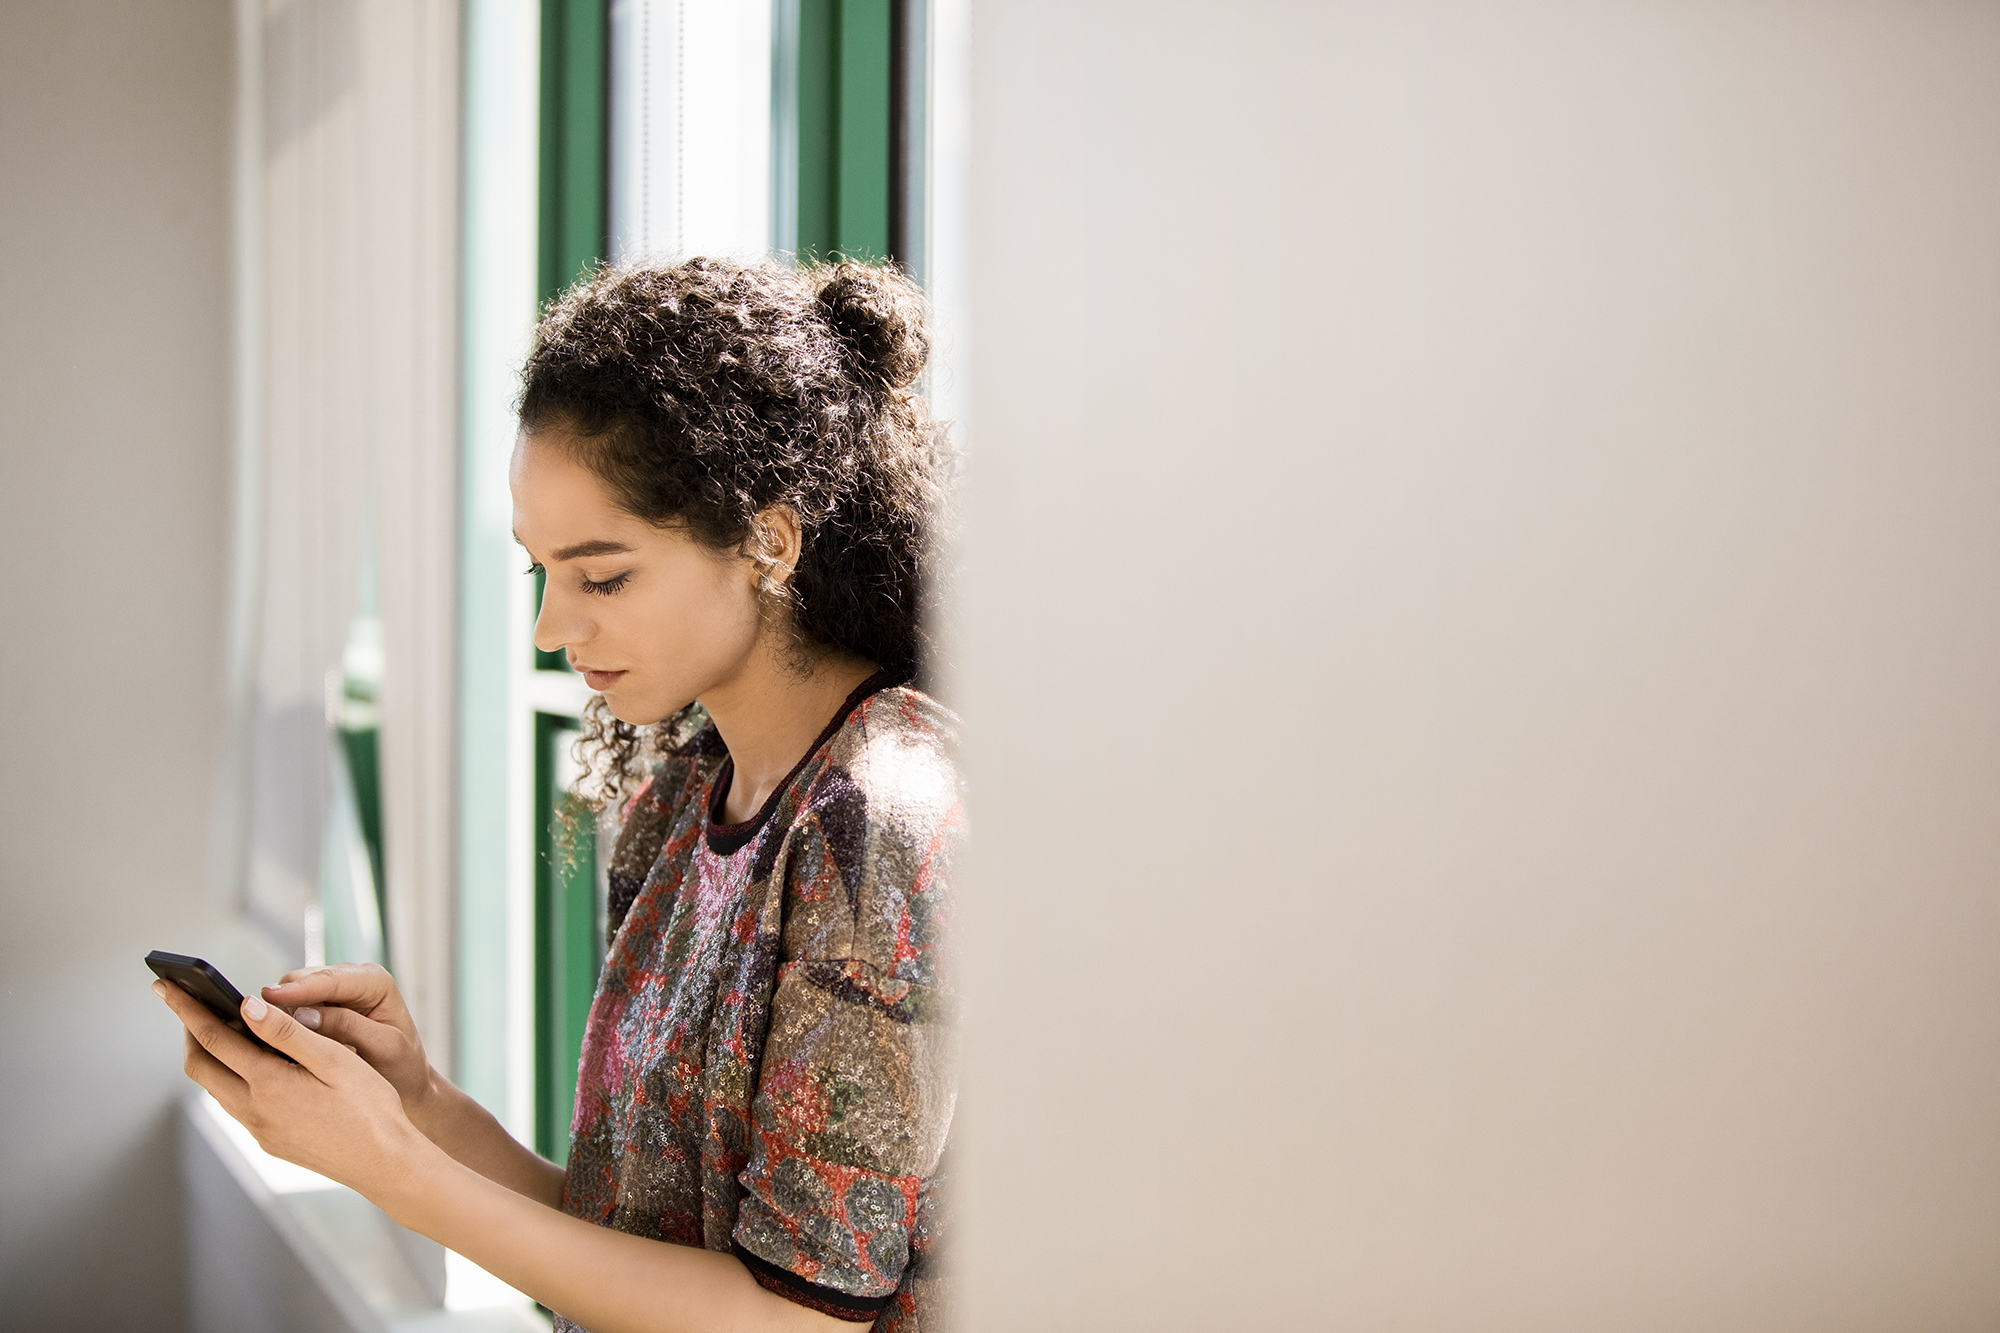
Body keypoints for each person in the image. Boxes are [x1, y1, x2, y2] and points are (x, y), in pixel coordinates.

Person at [154, 257, 963, 1333]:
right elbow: (624, 1250)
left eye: (602, 575)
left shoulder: (882, 819)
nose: (550, 627)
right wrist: (418, 1108)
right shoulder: (680, 803)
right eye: (539, 569)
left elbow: (799, 1318)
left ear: (768, 539)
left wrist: (400, 1172)